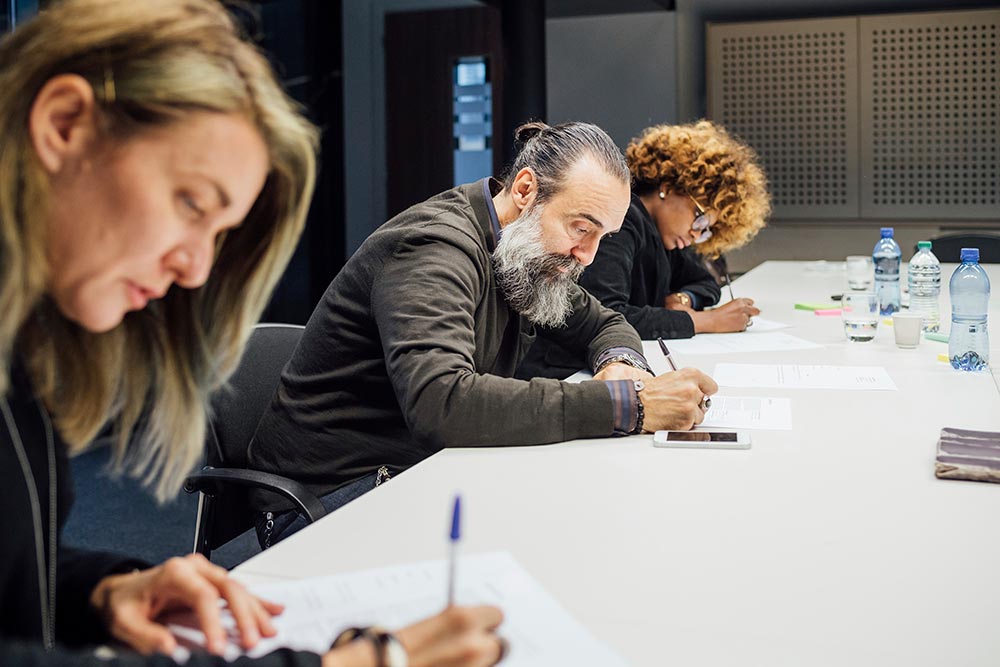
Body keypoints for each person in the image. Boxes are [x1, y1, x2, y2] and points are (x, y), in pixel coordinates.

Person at [0, 1, 504, 665]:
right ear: (64, 125)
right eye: (190, 203)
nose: (196, 268)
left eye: (218, 234)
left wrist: (102, 591)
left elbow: (13, 571)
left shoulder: (21, 355)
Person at [247, 121, 719, 546]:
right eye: (581, 228)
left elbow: (606, 322)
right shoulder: (434, 249)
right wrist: (628, 406)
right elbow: (442, 401)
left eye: (602, 238)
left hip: (418, 467)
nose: (587, 256)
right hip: (326, 500)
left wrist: (623, 367)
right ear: (526, 190)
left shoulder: (523, 252)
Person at [516, 120, 772, 379]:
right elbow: (609, 311)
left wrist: (685, 299)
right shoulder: (621, 224)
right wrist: (706, 322)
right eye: (701, 218)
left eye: (706, 229)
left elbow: (704, 282)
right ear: (669, 189)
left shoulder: (667, 236)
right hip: (568, 373)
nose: (697, 233)